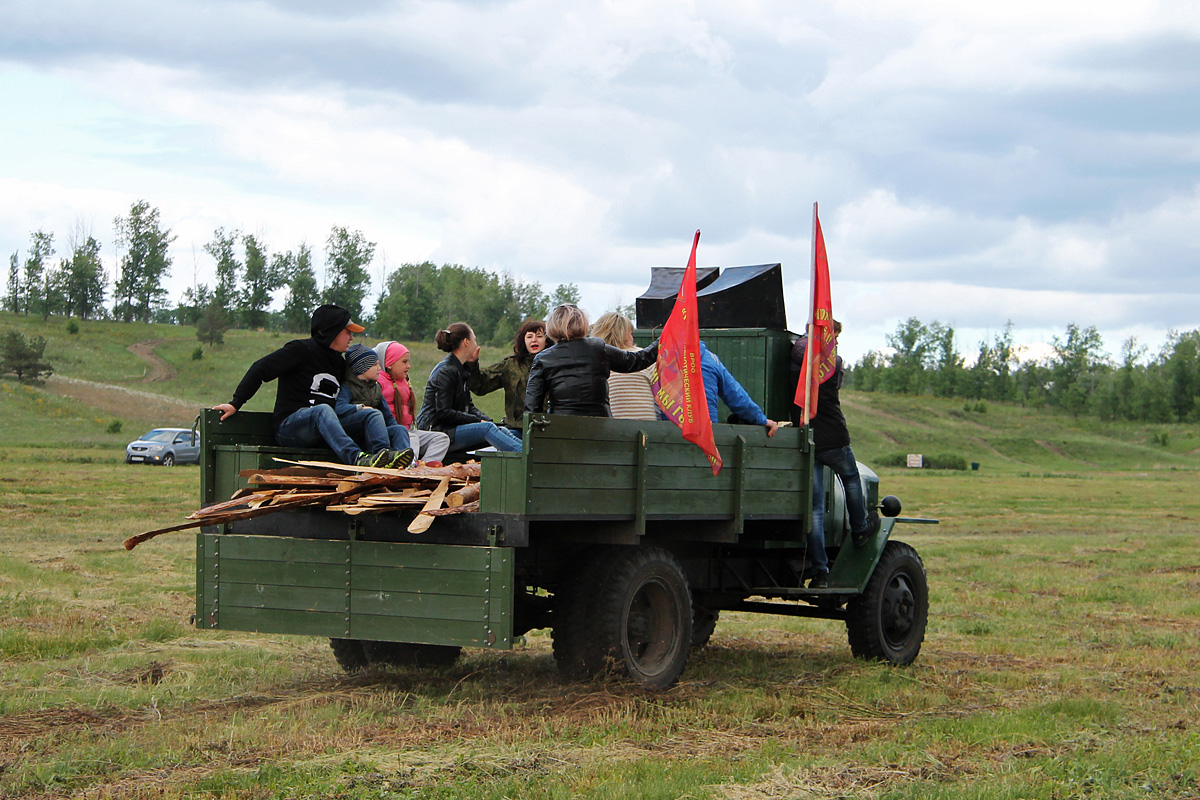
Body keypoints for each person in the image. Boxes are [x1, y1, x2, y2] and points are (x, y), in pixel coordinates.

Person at [211, 304, 412, 468]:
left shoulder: (340, 364)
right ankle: (357, 459)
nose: (351, 337)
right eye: (347, 332)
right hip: (291, 428)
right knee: (322, 410)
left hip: (327, 429)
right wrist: (236, 402)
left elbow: (357, 392)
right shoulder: (301, 350)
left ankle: (389, 461)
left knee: (373, 416)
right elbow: (260, 369)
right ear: (332, 331)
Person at [790, 320, 880, 588]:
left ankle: (821, 571)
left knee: (815, 510)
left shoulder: (795, 353)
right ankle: (861, 529)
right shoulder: (834, 360)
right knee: (852, 479)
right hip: (833, 435)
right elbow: (835, 382)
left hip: (807, 436)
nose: (837, 342)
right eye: (835, 336)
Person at [525, 304, 658, 418]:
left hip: (561, 426)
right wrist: (664, 339)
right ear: (582, 323)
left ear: (552, 326)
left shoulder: (543, 358)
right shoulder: (598, 348)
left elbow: (532, 406)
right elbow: (638, 360)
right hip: (600, 425)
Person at [416, 323, 523, 452]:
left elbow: (469, 406)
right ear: (466, 342)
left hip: (449, 429)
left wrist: (486, 419)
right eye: (474, 339)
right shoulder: (446, 371)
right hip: (436, 432)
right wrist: (479, 421)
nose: (476, 343)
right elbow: (443, 412)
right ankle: (524, 457)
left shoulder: (461, 369)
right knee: (487, 428)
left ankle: (530, 454)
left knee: (500, 429)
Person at [334, 345, 418, 468]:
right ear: (362, 367)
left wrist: (396, 430)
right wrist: (360, 408)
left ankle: (403, 462)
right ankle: (382, 453)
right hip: (355, 432)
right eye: (375, 365)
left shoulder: (376, 388)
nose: (379, 368)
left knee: (399, 429)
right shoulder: (348, 387)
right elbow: (339, 409)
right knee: (373, 413)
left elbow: (388, 418)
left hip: (373, 432)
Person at [373, 340, 451, 466]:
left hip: (408, 430)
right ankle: (409, 468)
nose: (408, 366)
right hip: (392, 432)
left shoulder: (404, 382)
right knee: (412, 439)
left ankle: (424, 466)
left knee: (441, 438)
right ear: (389, 364)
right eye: (404, 362)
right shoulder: (379, 382)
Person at [467, 319, 547, 432]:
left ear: (546, 340)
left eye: (539, 336)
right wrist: (472, 364)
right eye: (529, 336)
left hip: (547, 428)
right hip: (516, 428)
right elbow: (480, 385)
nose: (534, 340)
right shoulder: (511, 365)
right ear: (523, 340)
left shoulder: (554, 365)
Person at [698, 342, 780, 438]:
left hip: (684, 430)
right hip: (707, 435)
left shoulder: (680, 357)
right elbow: (735, 394)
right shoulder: (710, 359)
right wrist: (761, 419)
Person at [589, 312, 657, 421]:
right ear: (624, 335)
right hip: (646, 427)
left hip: (608, 427)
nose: (632, 338)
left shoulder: (593, 360)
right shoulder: (642, 357)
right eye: (631, 334)